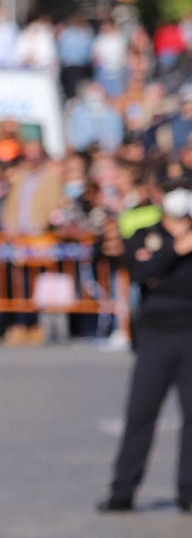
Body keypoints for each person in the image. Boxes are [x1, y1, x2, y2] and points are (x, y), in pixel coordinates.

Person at [100, 181, 192, 512]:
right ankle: (122, 491)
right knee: (140, 412)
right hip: (155, 335)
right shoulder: (146, 234)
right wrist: (175, 251)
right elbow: (141, 271)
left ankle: (188, 493)